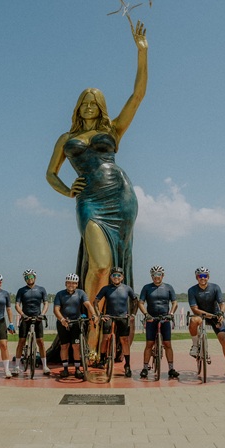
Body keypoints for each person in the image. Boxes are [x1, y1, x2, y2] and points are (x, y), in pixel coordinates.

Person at [45, 20, 148, 353]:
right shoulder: (66, 137)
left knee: (112, 265)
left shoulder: (114, 130)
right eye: (84, 103)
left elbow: (137, 95)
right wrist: (66, 190)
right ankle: (89, 328)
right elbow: (50, 173)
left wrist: (142, 53)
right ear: (78, 107)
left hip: (120, 197)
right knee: (100, 264)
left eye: (94, 102)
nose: (89, 107)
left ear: (100, 107)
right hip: (89, 199)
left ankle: (105, 335)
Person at [187, 267, 225, 381]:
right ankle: (195, 345)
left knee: (224, 338)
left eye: (205, 276)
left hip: (215, 315)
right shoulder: (192, 290)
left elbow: (222, 303)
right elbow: (194, 309)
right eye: (200, 276)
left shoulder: (215, 287)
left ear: (208, 277)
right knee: (193, 321)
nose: (202, 278)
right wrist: (207, 315)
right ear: (196, 278)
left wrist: (221, 312)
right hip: (201, 315)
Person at [93, 266, 138, 377]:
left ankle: (127, 365)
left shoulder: (127, 288)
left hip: (123, 317)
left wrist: (132, 314)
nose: (116, 277)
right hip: (109, 316)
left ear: (122, 277)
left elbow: (135, 301)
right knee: (106, 337)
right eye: (114, 275)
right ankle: (103, 359)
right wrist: (99, 315)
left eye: (119, 275)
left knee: (124, 341)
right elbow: (95, 301)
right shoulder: (106, 288)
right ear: (111, 277)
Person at [138, 265, 179, 379]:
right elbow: (140, 303)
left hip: (165, 318)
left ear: (163, 276)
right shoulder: (146, 288)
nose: (157, 277)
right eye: (154, 275)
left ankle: (171, 369)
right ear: (152, 276)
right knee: (149, 344)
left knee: (167, 344)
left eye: (159, 274)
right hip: (151, 318)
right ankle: (145, 368)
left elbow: (174, 302)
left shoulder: (168, 287)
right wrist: (146, 314)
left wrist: (171, 313)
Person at [53, 273, 97, 379]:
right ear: (65, 283)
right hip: (63, 322)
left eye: (73, 283)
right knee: (64, 346)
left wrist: (94, 315)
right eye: (69, 282)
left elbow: (88, 305)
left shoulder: (81, 293)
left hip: (76, 323)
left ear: (76, 284)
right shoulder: (60, 294)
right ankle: (65, 369)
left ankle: (77, 369)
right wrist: (62, 319)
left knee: (76, 346)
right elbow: (56, 309)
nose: (71, 285)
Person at [14, 269, 51, 376]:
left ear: (34, 277)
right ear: (25, 279)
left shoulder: (41, 289)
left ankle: (45, 366)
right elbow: (17, 305)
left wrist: (42, 314)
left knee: (41, 342)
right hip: (26, 318)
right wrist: (22, 314)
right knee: (21, 341)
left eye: (31, 277)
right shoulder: (21, 290)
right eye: (27, 278)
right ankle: (16, 366)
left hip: (37, 317)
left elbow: (46, 303)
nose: (29, 279)